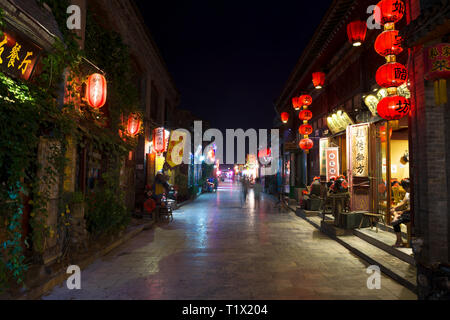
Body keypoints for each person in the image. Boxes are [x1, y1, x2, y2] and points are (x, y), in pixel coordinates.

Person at [391, 179, 411, 247]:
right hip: (407, 212)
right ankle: (396, 216)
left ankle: (399, 241)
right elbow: (403, 202)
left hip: (411, 213)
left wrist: (402, 212)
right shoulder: (408, 193)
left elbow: (412, 208)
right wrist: (395, 208)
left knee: (396, 222)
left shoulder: (414, 193)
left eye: (405, 188)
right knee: (393, 212)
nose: (405, 190)